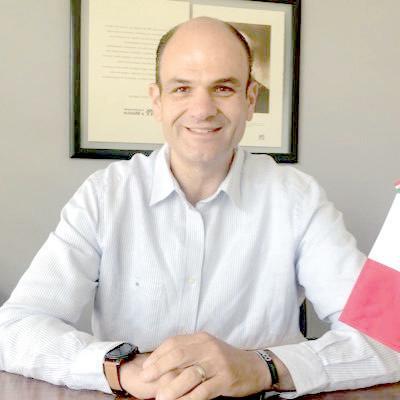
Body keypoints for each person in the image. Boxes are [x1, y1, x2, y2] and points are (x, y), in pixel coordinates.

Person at [0, 16, 399, 400]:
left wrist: (260, 367)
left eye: (223, 88)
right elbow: (14, 328)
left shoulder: (299, 200)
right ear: (157, 101)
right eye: (181, 89)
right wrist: (123, 368)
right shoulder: (104, 196)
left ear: (250, 99)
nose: (202, 109)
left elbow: (389, 337)